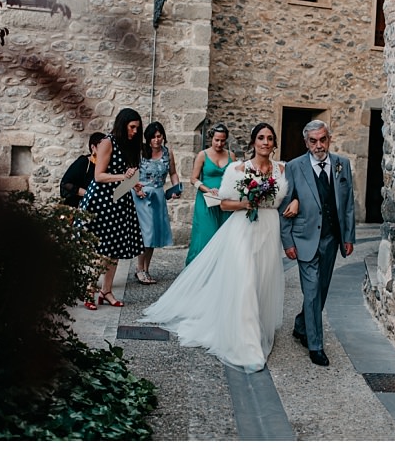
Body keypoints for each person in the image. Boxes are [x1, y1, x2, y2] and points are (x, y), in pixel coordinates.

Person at [139, 123, 297, 372]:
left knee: (261, 282)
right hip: (243, 229)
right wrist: (247, 202)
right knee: (245, 281)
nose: (265, 142)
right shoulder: (238, 168)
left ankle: (255, 327)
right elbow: (223, 204)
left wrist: (296, 200)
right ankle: (247, 344)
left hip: (269, 229)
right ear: (253, 142)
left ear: (275, 143)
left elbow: (294, 193)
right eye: (261, 138)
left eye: (270, 138)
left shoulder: (284, 169)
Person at [280, 119, 356, 367]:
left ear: (329, 139)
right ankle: (315, 345)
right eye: (313, 141)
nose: (319, 145)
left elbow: (348, 205)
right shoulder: (293, 167)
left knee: (320, 290)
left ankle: (301, 325)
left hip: (332, 239)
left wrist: (348, 237)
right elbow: (285, 205)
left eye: (323, 139)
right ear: (306, 142)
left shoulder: (342, 165)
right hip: (304, 238)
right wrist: (287, 241)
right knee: (311, 291)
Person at [78, 108, 145, 310]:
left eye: (137, 128)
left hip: (119, 200)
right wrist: (123, 177)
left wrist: (133, 183)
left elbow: (121, 174)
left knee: (114, 249)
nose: (134, 131)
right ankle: (89, 289)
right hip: (102, 201)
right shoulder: (107, 142)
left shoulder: (128, 146)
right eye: (132, 127)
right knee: (102, 250)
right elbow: (99, 176)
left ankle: (106, 291)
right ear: (122, 124)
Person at [132, 121, 181, 285]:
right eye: (153, 137)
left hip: (159, 195)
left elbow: (173, 173)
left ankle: (145, 269)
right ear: (148, 138)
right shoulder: (140, 152)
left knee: (153, 235)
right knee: (147, 232)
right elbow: (130, 175)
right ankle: (140, 269)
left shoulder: (168, 153)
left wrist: (176, 187)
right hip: (142, 195)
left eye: (159, 136)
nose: (156, 140)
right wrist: (136, 188)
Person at [186, 123, 234, 265]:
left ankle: (219, 270)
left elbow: (235, 178)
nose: (219, 143)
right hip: (206, 200)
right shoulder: (203, 155)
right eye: (216, 140)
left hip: (225, 202)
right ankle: (198, 269)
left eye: (223, 140)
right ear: (211, 138)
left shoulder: (231, 155)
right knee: (206, 234)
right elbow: (193, 179)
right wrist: (208, 190)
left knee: (223, 236)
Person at [59, 132, 106, 207]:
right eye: (103, 147)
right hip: (81, 206)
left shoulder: (107, 164)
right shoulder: (83, 162)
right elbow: (66, 184)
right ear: (93, 147)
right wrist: (89, 194)